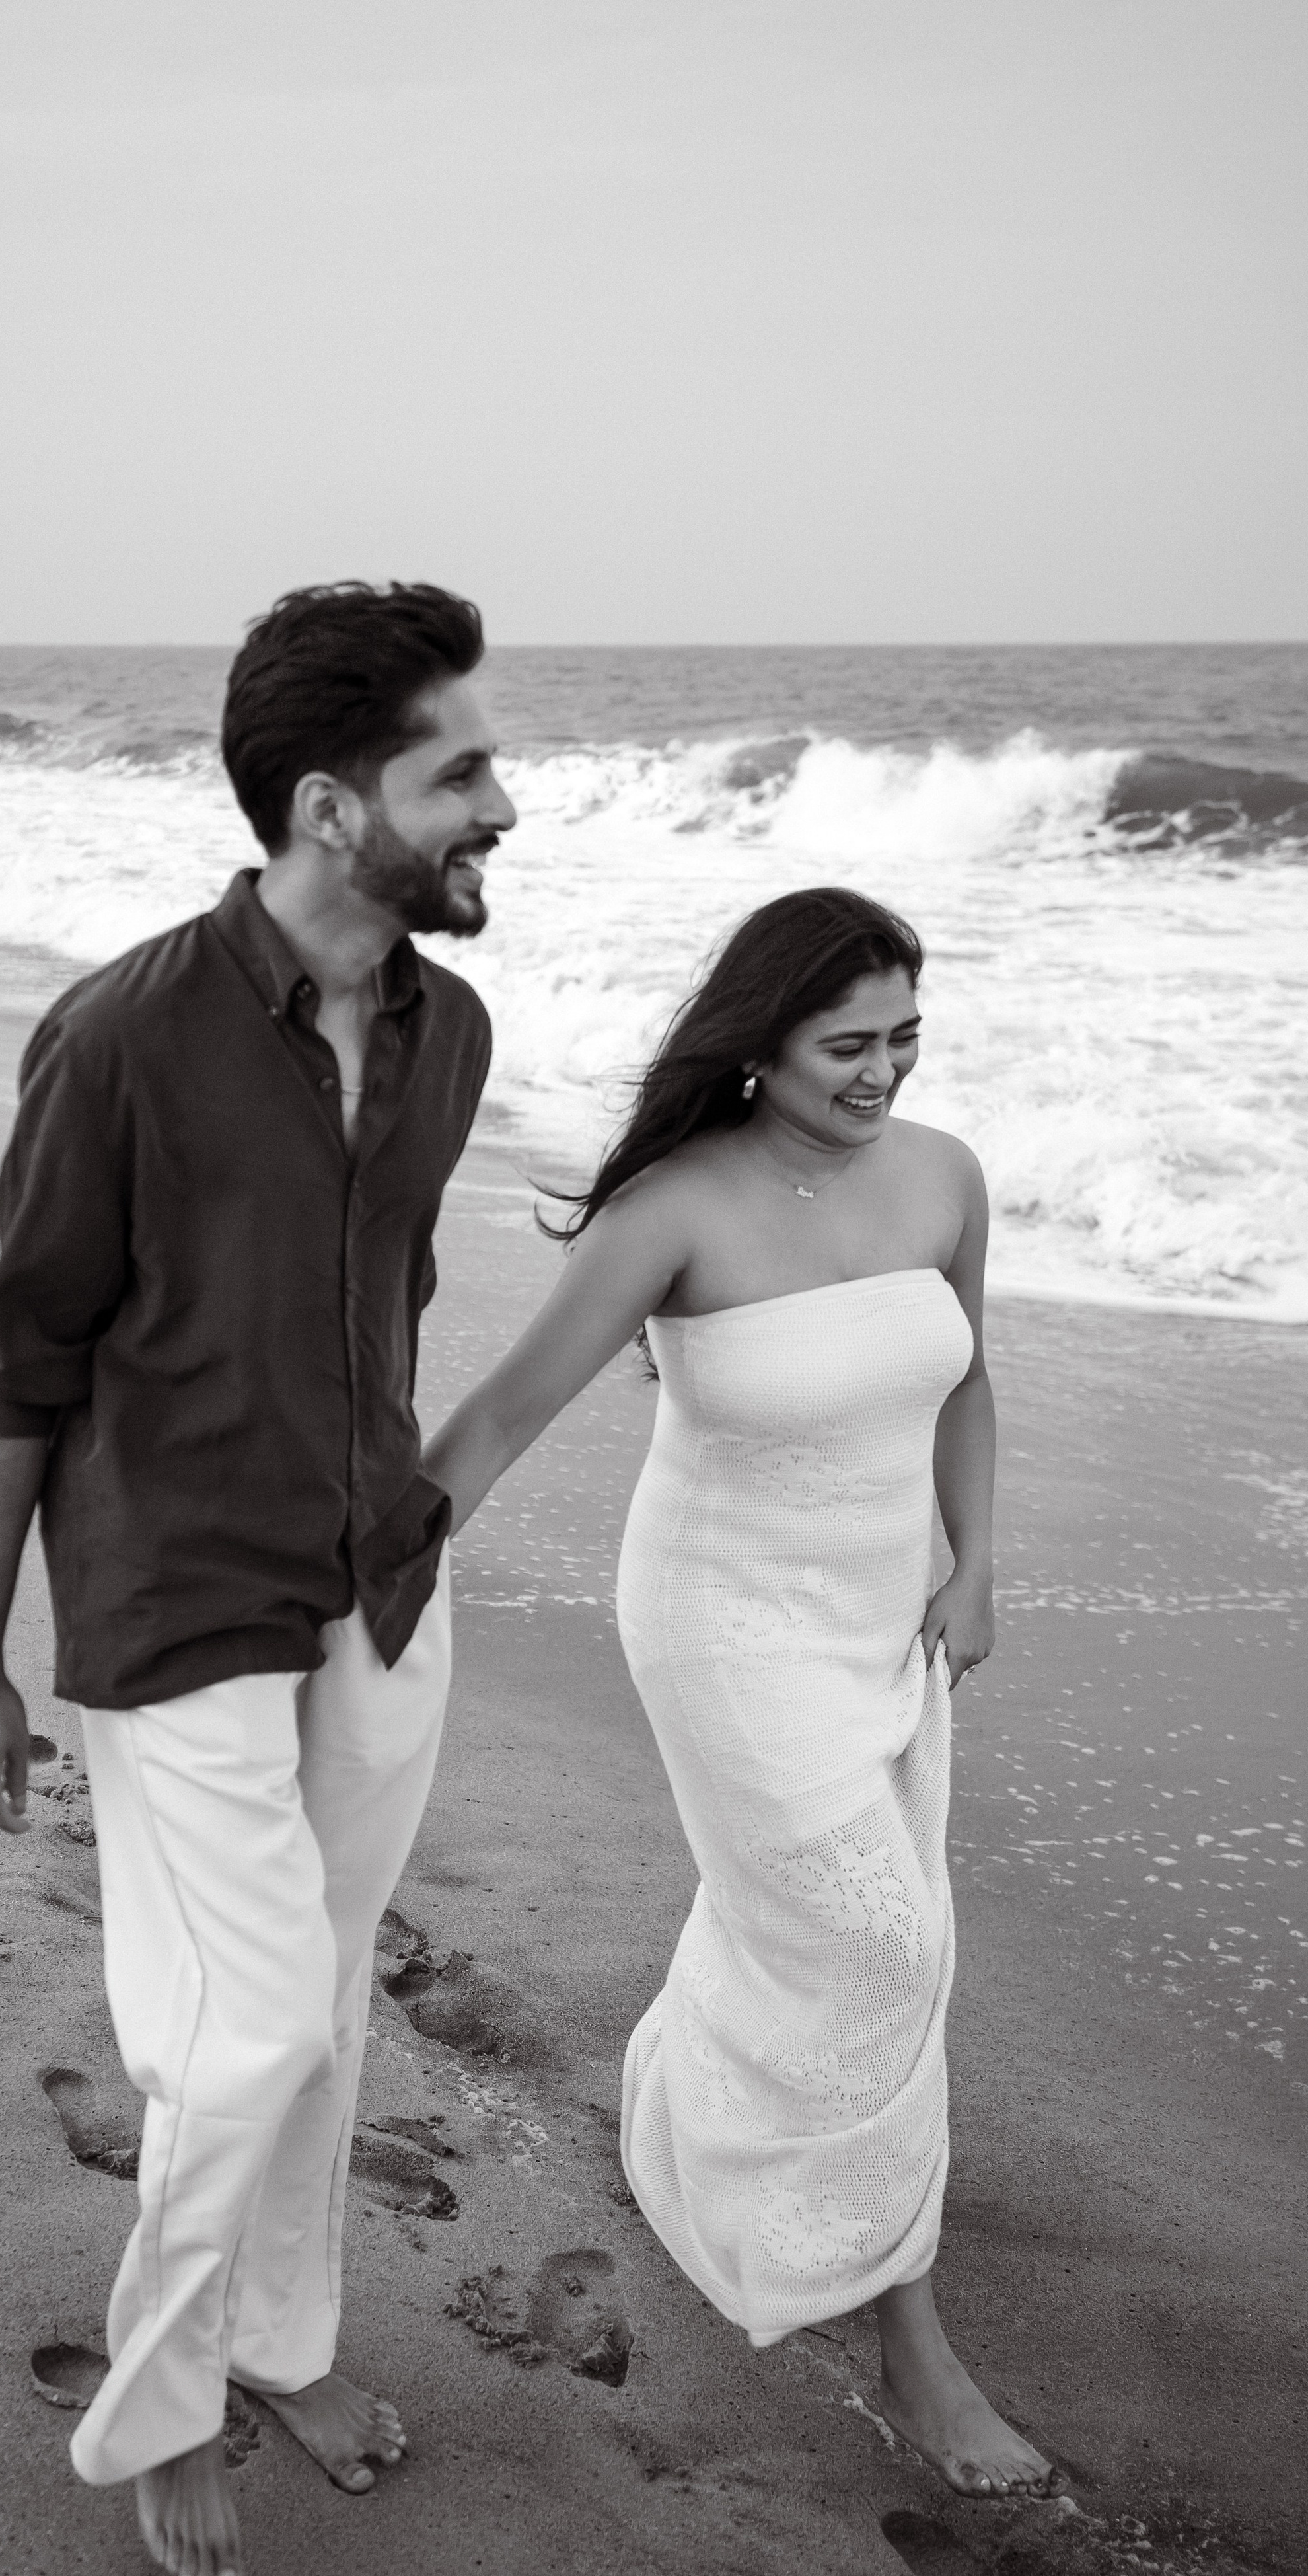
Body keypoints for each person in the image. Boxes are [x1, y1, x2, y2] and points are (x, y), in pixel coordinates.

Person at [0, 581, 515, 2576]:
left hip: (376, 1584)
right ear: (338, 804)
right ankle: (162, 2408)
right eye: (463, 769)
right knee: (246, 2028)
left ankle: (280, 2338)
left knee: (325, 2009)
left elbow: (392, 1305)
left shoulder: (453, 1034)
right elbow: (23, 1364)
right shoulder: (120, 1038)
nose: (502, 805)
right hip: (173, 1595)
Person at [424, 886, 1066, 2501]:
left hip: (881, 1612)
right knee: (878, 1939)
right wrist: (353, 1572)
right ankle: (903, 2339)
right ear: (756, 1045)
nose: (882, 1074)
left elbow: (965, 1373)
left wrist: (973, 1560)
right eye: (844, 1044)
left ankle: (682, 2122)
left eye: (904, 1037)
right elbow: (499, 1420)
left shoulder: (941, 1177)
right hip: (724, 1625)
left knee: (833, 1922)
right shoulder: (676, 1208)